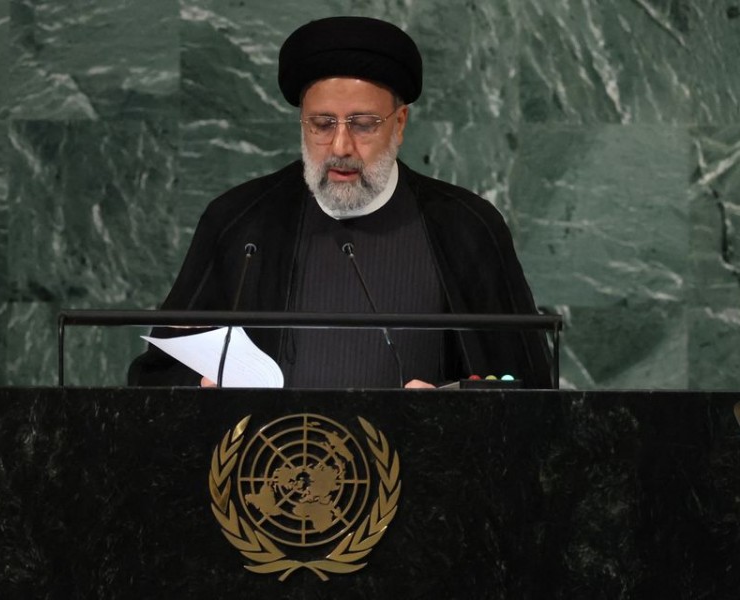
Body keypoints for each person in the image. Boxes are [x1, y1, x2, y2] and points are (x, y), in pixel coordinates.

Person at [128, 16, 551, 389]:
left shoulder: (466, 226)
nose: (341, 145)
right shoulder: (241, 221)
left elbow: (527, 390)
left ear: (399, 124)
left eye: (363, 125)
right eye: (322, 124)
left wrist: (450, 410)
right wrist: (201, 390)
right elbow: (156, 377)